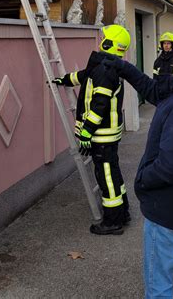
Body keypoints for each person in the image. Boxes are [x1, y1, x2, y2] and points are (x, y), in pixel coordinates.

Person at [104, 42, 173, 299]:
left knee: (159, 286)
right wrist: (123, 68)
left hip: (170, 212)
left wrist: (143, 180)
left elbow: (172, 166)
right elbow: (154, 90)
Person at [53, 25, 131, 235]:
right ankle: (122, 212)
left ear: (109, 43)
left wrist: (86, 131)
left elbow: (99, 105)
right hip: (107, 132)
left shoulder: (106, 70)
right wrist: (65, 79)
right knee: (112, 172)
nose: (101, 38)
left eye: (104, 37)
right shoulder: (104, 65)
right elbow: (85, 76)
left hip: (102, 134)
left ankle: (113, 221)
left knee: (106, 175)